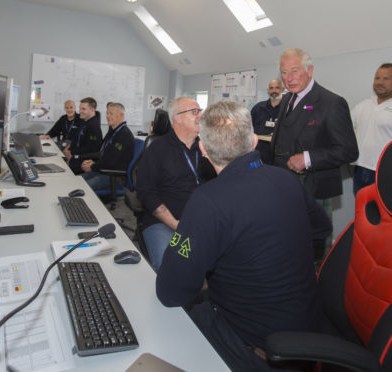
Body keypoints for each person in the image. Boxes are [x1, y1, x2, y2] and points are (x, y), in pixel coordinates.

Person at [156, 101, 332, 371]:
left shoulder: (207, 201)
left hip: (255, 349)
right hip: (308, 331)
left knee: (167, 330)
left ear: (202, 148)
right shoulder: (286, 180)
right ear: (253, 141)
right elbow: (321, 229)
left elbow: (170, 291)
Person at [270, 48, 358, 258]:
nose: (288, 79)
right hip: (283, 185)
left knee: (314, 249)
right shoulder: (287, 100)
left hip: (312, 187)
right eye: (284, 72)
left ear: (310, 70)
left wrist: (308, 158)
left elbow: (349, 151)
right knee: (289, 244)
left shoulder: (331, 102)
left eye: (294, 71)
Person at [136, 96, 216, 271]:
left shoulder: (207, 149)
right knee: (170, 265)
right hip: (165, 223)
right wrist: (175, 224)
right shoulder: (157, 149)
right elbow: (145, 191)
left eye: (200, 111)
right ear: (177, 117)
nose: (200, 116)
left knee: (225, 262)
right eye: (194, 112)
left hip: (200, 221)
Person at [351, 63, 392, 195]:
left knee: (385, 214)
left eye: (386, 78)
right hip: (360, 170)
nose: (380, 82)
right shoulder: (363, 105)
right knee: (362, 213)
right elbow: (343, 129)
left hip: (386, 173)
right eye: (377, 78)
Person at [81, 103, 134, 191]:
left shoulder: (124, 135)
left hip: (115, 177)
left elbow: (112, 161)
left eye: (111, 114)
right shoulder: (113, 131)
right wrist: (92, 162)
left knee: (81, 188)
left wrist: (93, 166)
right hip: (104, 171)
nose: (108, 116)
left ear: (121, 116)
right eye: (107, 113)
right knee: (76, 181)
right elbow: (106, 154)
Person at [63, 97, 103, 174]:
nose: (80, 111)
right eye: (80, 108)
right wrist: (68, 149)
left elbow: (92, 149)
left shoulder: (94, 127)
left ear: (92, 110)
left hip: (83, 162)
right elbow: (76, 138)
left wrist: (72, 152)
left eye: (83, 109)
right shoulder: (84, 122)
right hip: (75, 157)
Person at [250, 78, 283, 162]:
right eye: (271, 88)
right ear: (268, 90)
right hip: (259, 154)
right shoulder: (258, 108)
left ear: (282, 89)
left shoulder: (288, 109)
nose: (274, 91)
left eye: (277, 88)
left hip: (279, 155)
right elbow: (248, 128)